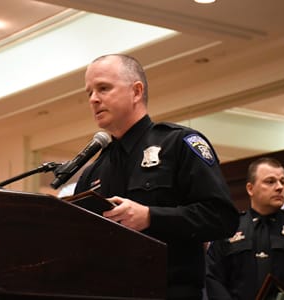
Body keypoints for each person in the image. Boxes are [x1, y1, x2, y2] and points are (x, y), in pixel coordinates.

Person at [74, 54, 239, 300]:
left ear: (136, 91)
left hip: (169, 291)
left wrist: (150, 217)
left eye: (104, 88)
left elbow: (222, 217)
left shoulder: (178, 144)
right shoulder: (94, 170)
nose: (94, 99)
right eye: (89, 93)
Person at [205, 157, 284, 299]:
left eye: (283, 182)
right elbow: (213, 278)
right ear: (250, 188)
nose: (279, 187)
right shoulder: (229, 228)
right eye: (270, 181)